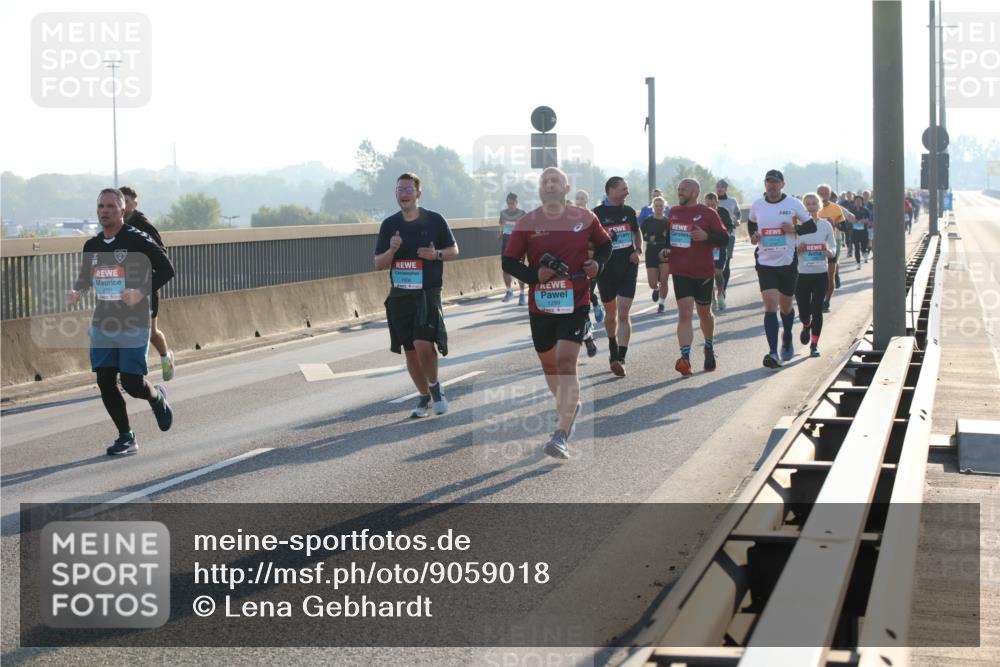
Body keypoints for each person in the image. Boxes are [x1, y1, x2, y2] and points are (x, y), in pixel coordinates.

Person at [502, 167, 612, 459]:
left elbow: (605, 246)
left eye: (555, 181)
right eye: (544, 181)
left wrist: (597, 265)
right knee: (549, 364)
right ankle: (569, 406)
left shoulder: (585, 218)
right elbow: (509, 261)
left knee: (566, 362)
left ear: (566, 188)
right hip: (541, 304)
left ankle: (561, 433)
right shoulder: (527, 222)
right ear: (540, 189)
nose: (549, 184)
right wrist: (535, 275)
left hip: (575, 300)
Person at [66, 189, 175, 455]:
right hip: (104, 320)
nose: (105, 211)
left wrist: (140, 290)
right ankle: (126, 436)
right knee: (105, 380)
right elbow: (86, 276)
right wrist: (77, 290)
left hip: (135, 320)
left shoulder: (138, 240)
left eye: (110, 207)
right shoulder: (91, 246)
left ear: (122, 210)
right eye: (101, 206)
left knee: (131, 383)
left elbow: (167, 270)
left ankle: (156, 397)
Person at [374, 173, 459, 418]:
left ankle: (434, 387)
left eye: (409, 189)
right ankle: (423, 396)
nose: (404, 194)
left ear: (419, 194)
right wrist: (392, 249)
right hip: (400, 294)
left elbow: (454, 249)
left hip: (427, 292)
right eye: (400, 189)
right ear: (396, 194)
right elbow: (378, 263)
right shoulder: (389, 225)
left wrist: (436, 255)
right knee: (410, 351)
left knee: (424, 343)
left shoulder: (435, 220)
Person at [748, 169, 817, 368]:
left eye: (775, 182)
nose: (771, 186)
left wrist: (794, 229)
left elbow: (810, 226)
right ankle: (772, 352)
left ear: (782, 184)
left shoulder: (793, 204)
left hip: (787, 262)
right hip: (765, 262)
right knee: (770, 306)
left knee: (786, 307)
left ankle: (787, 336)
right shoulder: (757, 204)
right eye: (768, 182)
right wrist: (754, 236)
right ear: (765, 185)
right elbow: (751, 223)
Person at [659, 179, 729, 375]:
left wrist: (707, 237)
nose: (679, 192)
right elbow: (669, 238)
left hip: (703, 271)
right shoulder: (673, 212)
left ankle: (708, 346)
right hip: (680, 270)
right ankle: (685, 358)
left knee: (704, 313)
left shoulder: (708, 213)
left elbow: (724, 239)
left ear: (696, 191)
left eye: (684, 189)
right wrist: (665, 250)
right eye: (678, 189)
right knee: (684, 313)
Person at [120, 186, 175, 381]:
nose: (124, 207)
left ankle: (165, 356)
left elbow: (162, 257)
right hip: (122, 287)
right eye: (121, 202)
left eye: (127, 202)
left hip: (145, 286)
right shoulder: (114, 227)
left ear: (134, 204)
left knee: (150, 332)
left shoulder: (144, 226)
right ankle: (129, 373)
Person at [593, 176, 642, 377]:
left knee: (623, 313)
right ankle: (612, 345)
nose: (627, 192)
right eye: (624, 189)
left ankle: (620, 357)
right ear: (611, 191)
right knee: (611, 313)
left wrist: (638, 250)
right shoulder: (596, 214)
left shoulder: (629, 212)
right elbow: (589, 241)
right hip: (606, 269)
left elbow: (636, 232)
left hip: (628, 266)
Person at [795, 193, 837, 358]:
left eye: (814, 204)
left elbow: (833, 247)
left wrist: (828, 252)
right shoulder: (797, 226)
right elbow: (790, 250)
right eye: (808, 204)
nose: (811, 206)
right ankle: (806, 324)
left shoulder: (825, 225)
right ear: (804, 207)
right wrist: (799, 250)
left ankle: (814, 344)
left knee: (817, 309)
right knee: (804, 311)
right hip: (802, 274)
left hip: (820, 273)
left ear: (819, 206)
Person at [816, 184, 849, 311]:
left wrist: (834, 223)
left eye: (825, 194)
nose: (823, 196)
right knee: (817, 275)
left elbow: (844, 227)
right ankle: (817, 299)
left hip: (831, 245)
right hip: (814, 247)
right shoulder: (811, 207)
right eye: (820, 193)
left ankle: (827, 301)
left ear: (829, 195)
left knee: (830, 275)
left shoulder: (835, 208)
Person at [704, 192, 734, 312]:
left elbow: (730, 227)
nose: (710, 207)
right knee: (708, 274)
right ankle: (712, 300)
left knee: (717, 272)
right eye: (708, 204)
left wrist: (720, 235)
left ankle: (720, 294)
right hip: (706, 247)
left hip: (719, 247)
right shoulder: (702, 212)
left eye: (713, 204)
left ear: (717, 203)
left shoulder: (723, 212)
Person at [641, 196, 670, 313]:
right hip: (652, 250)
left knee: (664, 280)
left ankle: (662, 303)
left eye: (661, 206)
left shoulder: (667, 221)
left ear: (664, 207)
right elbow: (641, 235)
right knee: (652, 283)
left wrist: (665, 235)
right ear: (653, 207)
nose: (658, 208)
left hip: (664, 250)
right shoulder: (648, 221)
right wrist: (649, 237)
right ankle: (656, 289)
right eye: (656, 206)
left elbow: (671, 236)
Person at [498, 192, 527, 304]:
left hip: (519, 244)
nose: (511, 205)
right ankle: (509, 291)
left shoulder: (522, 214)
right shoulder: (503, 213)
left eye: (513, 203)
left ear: (516, 203)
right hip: (506, 243)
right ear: (507, 203)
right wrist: (500, 234)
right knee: (505, 267)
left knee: (520, 268)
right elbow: (501, 224)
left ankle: (522, 294)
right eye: (509, 203)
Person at [848, 194, 871, 267]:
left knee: (864, 247)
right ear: (854, 202)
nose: (858, 203)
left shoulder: (865, 210)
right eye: (856, 201)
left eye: (859, 201)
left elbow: (868, 220)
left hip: (863, 231)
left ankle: (865, 253)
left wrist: (863, 221)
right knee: (856, 247)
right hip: (854, 232)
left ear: (862, 202)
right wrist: (852, 220)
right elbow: (848, 219)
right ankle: (858, 263)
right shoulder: (851, 210)